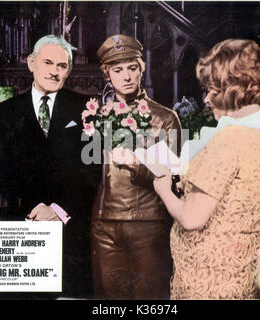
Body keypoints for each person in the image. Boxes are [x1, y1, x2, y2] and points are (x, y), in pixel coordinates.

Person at [153, 39, 260, 299]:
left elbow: (192, 218)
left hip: (209, 275)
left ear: (234, 88)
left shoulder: (227, 139)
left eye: (212, 90)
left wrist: (163, 189)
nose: (206, 99)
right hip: (247, 265)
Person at [0, 35, 99, 299]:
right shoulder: (6, 111)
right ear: (31, 63)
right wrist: (34, 210)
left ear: (68, 71)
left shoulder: (87, 108)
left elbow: (93, 169)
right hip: (26, 226)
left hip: (72, 228)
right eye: (48, 62)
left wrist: (59, 210)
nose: (54, 71)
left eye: (62, 66)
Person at [90, 34, 182, 299]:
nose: (126, 76)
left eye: (132, 68)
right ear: (107, 74)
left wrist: (135, 162)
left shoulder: (165, 117)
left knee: (149, 299)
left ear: (142, 70)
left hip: (147, 222)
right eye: (118, 70)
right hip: (103, 223)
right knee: (108, 301)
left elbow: (174, 177)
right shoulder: (97, 115)